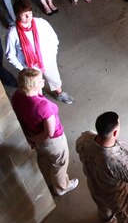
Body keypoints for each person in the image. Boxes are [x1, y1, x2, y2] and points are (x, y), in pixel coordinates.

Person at [11, 68, 79, 198]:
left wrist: (30, 137)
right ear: (32, 86)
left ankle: (48, 176)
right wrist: (35, 138)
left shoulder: (17, 96)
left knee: (45, 157)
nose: (43, 81)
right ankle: (62, 187)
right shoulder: (43, 106)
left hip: (33, 132)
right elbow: (49, 132)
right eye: (40, 80)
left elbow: (20, 116)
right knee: (60, 163)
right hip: (52, 141)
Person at [5, 0, 74, 104]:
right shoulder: (13, 33)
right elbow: (10, 55)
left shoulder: (41, 23)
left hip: (48, 60)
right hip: (30, 67)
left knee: (54, 78)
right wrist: (22, 68)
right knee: (35, 88)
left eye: (29, 13)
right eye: (24, 14)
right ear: (17, 15)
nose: (28, 17)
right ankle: (40, 103)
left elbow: (53, 38)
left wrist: (53, 54)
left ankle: (60, 93)